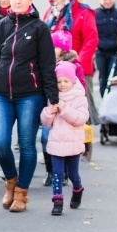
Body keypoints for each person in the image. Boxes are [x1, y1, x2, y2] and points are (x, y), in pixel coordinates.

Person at [0, 0, 58, 212]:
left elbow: (48, 66)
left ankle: (21, 193)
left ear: (30, 0)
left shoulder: (40, 28)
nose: (17, 1)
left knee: (27, 144)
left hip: (31, 95)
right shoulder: (2, 26)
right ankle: (11, 181)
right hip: (1, 94)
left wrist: (53, 99)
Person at [42, 0, 98, 161]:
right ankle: (58, 147)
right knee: (57, 108)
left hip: (77, 66)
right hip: (55, 66)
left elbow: (91, 39)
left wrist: (77, 61)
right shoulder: (51, 13)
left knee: (81, 106)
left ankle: (85, 144)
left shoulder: (83, 12)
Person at [39, 61, 88, 216]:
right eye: (58, 81)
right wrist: (49, 111)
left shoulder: (80, 97)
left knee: (73, 175)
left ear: (72, 81)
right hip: (56, 143)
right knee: (57, 173)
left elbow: (80, 118)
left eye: (65, 81)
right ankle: (57, 201)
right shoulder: (54, 97)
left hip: (73, 143)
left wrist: (64, 108)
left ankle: (78, 188)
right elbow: (46, 122)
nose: (62, 85)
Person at [41, 29, 84, 187]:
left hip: (70, 111)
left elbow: (81, 87)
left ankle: (68, 174)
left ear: (63, 48)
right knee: (45, 138)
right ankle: (51, 171)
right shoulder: (48, 62)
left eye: (54, 46)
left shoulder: (74, 65)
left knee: (69, 146)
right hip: (53, 110)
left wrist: (72, 102)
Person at [95, 0, 117, 97]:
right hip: (100, 52)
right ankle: (105, 102)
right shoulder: (95, 14)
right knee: (103, 79)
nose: (107, 1)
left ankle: (111, 102)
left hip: (115, 52)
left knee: (113, 78)